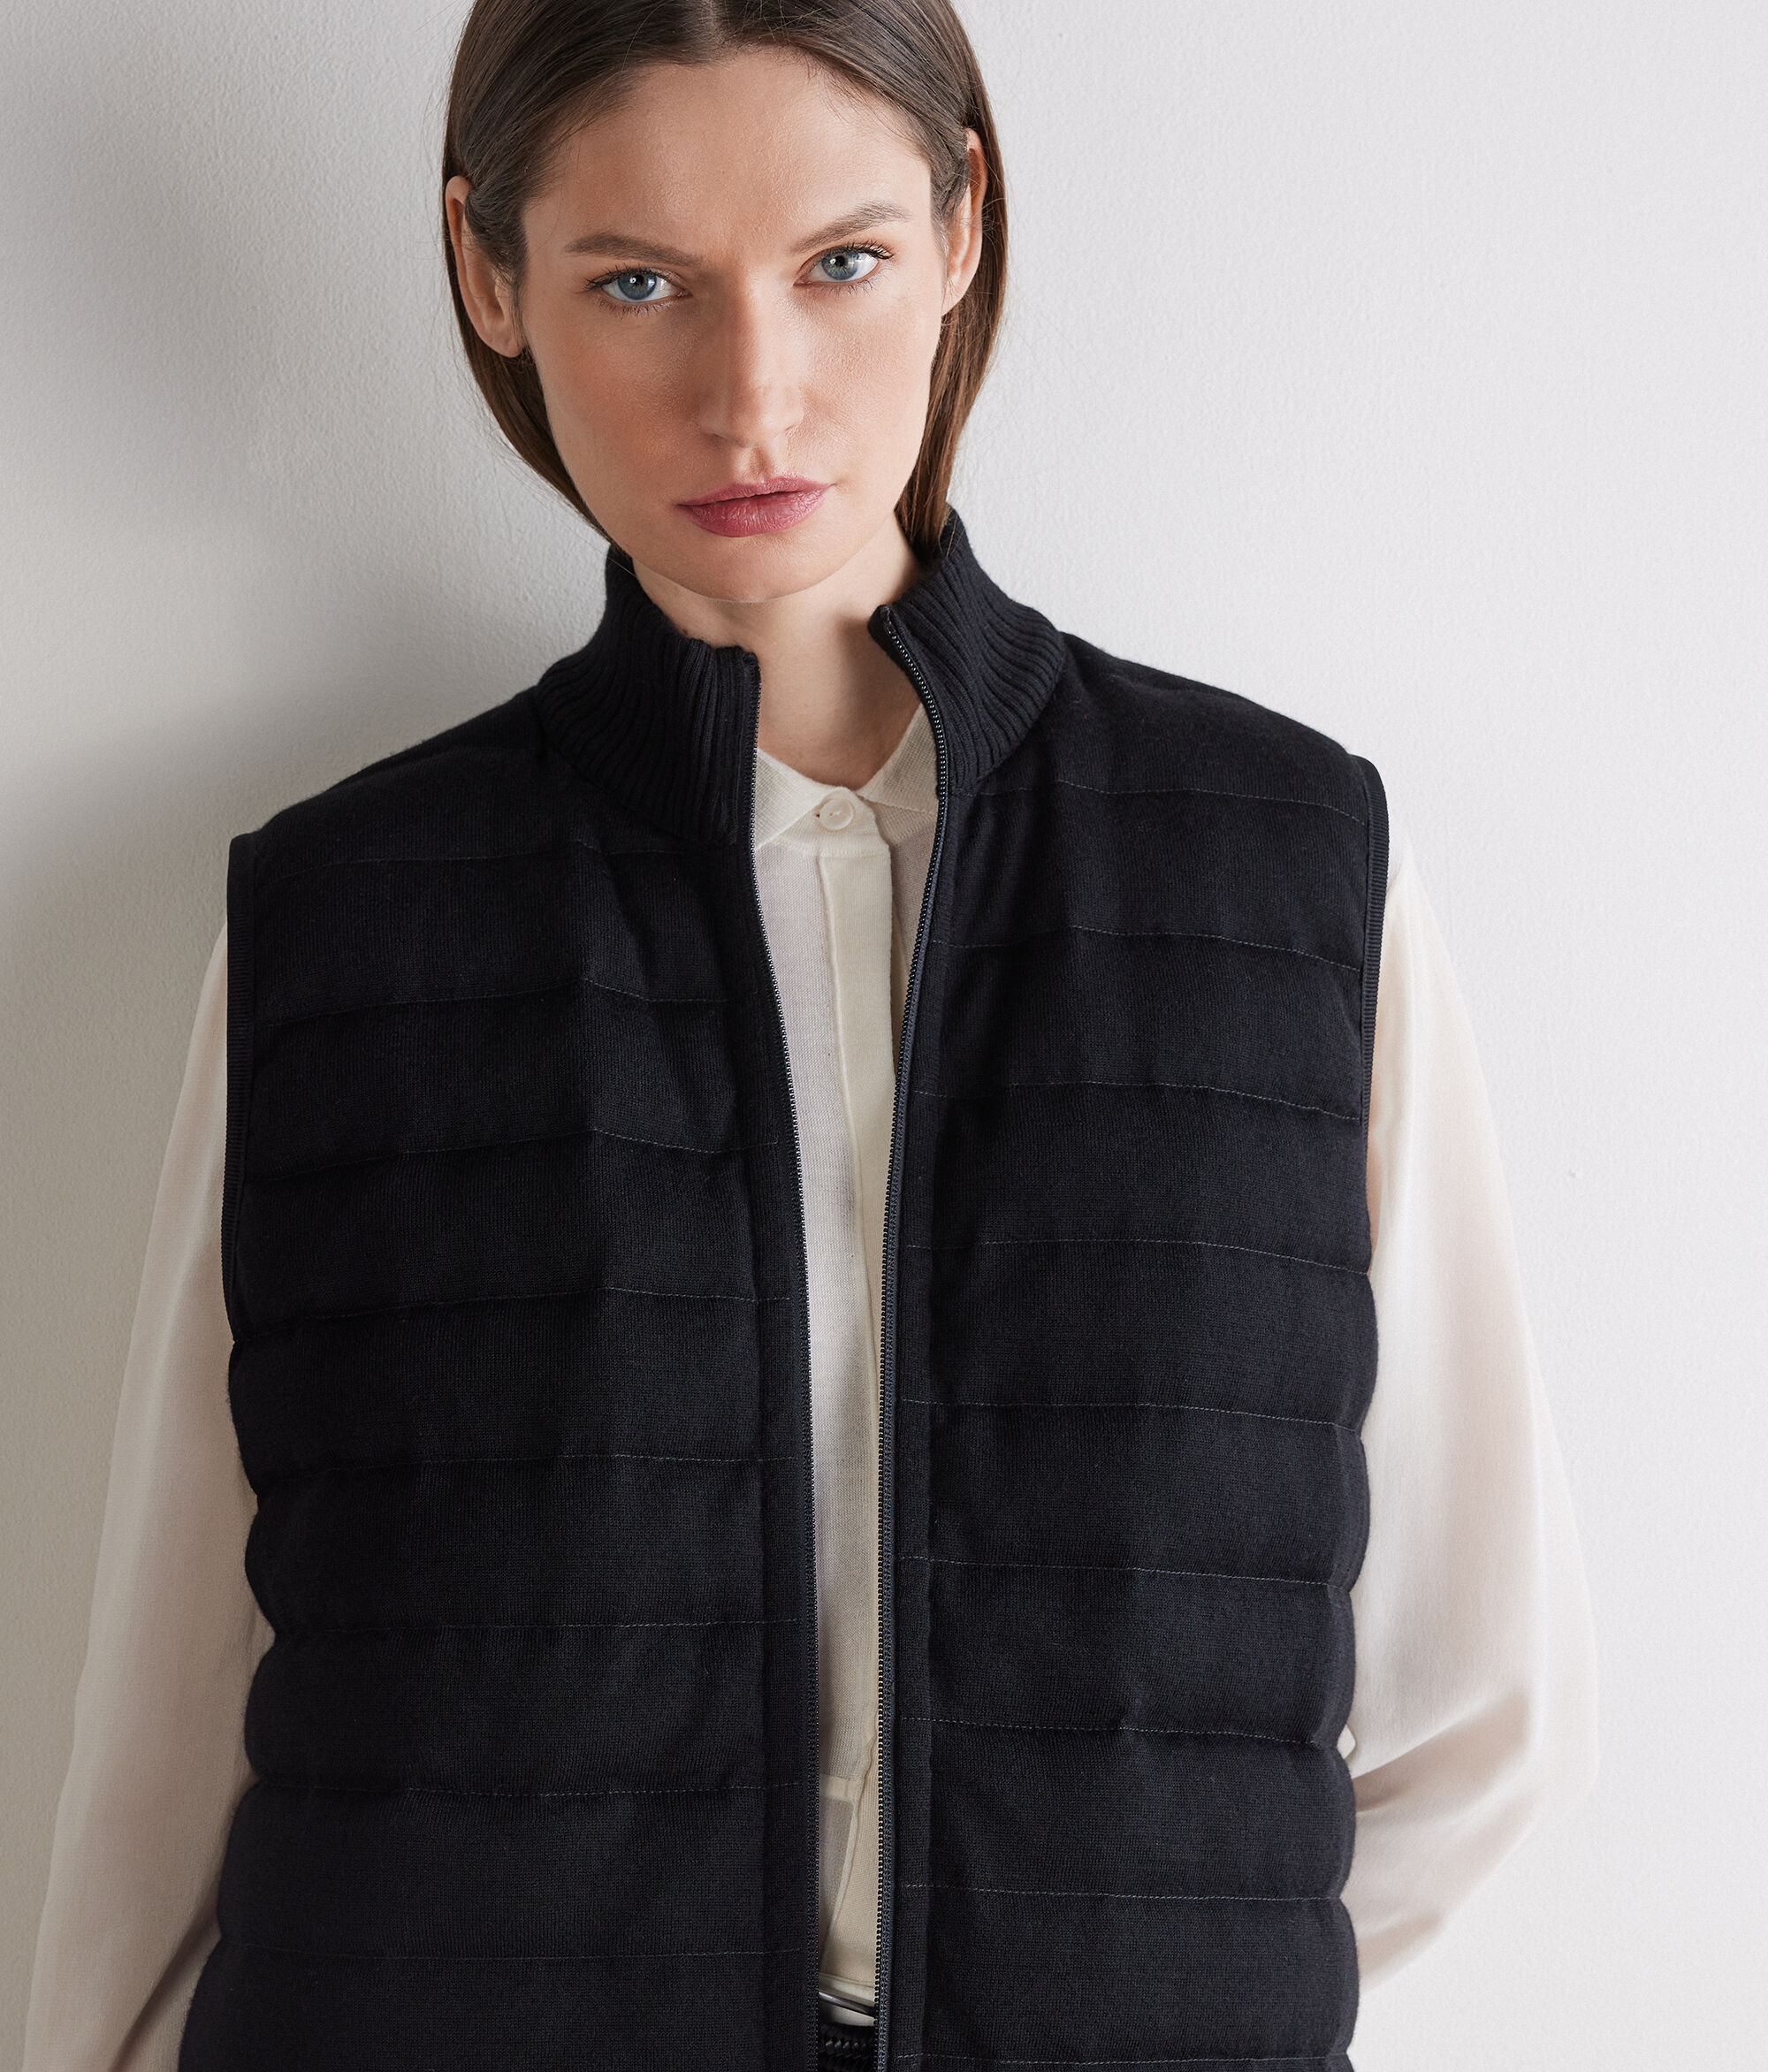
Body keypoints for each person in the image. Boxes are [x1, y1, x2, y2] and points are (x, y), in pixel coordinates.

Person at [23, 3, 1598, 2068]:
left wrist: (1134, 1991)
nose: (751, 394)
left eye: (838, 262)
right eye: (637, 282)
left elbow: (1482, 1708)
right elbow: (167, 1722)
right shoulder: (345, 916)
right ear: (491, 276)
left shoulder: (1286, 871)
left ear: (962, 226)